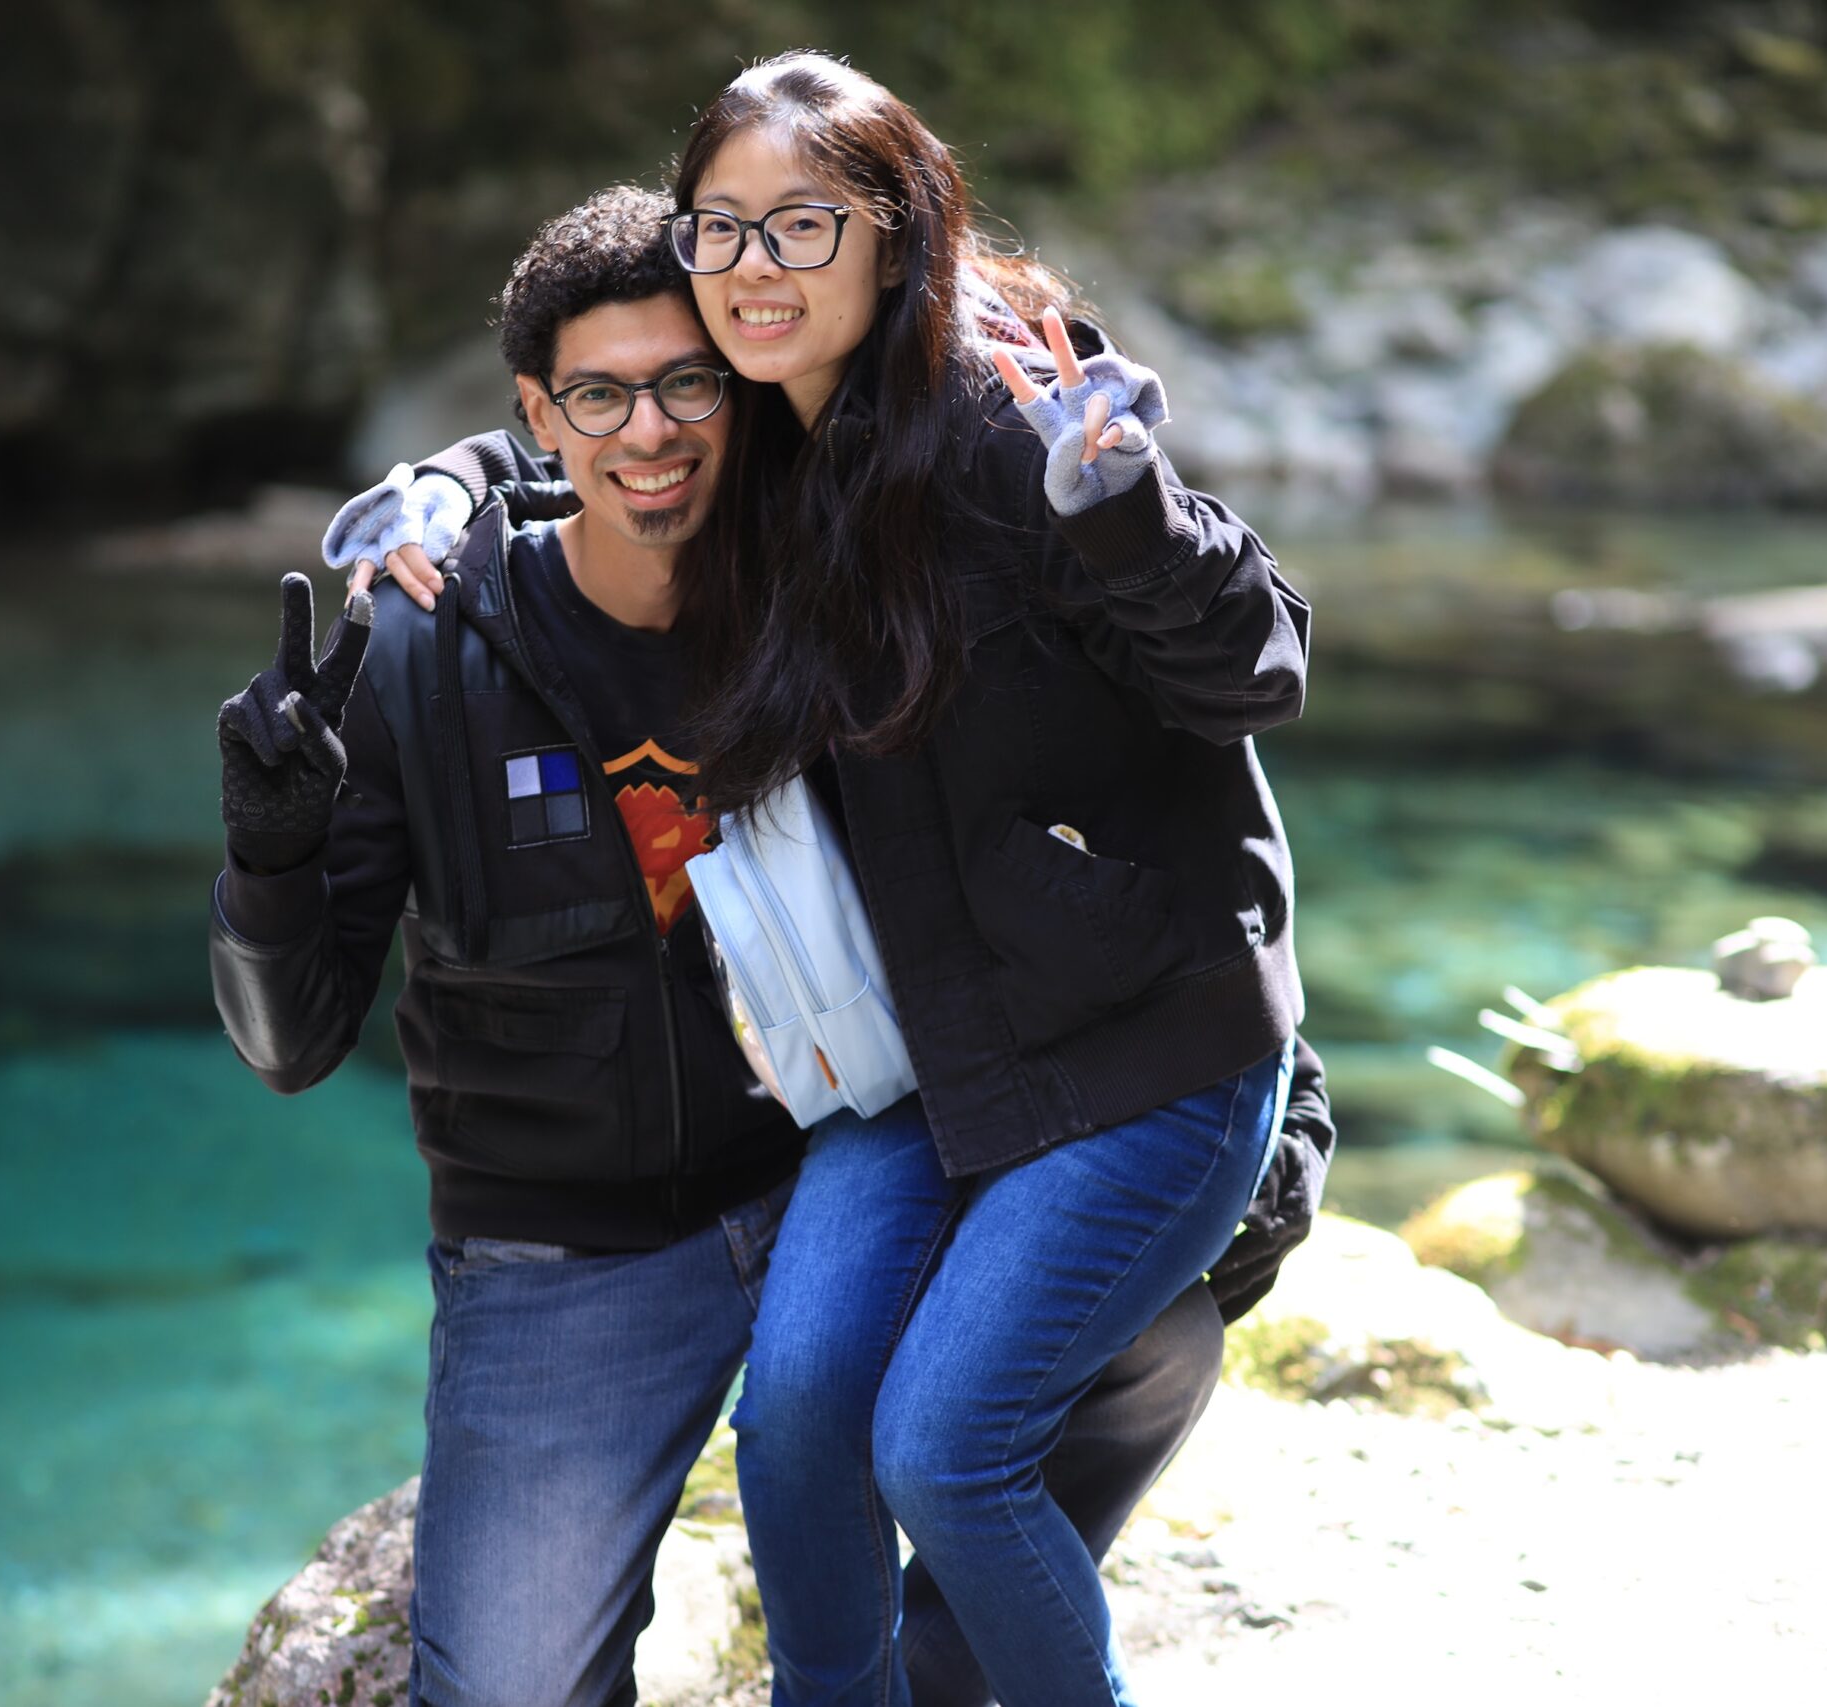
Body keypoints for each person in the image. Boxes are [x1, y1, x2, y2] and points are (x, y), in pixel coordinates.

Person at [212, 186, 1334, 1707]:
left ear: (745, 395)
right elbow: (294, 1041)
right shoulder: (429, 639)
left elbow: (1117, 789)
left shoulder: (838, 576)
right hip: (578, 1243)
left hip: (865, 1143)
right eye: (597, 395)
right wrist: (272, 858)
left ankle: (940, 1661)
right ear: (540, 413)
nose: (652, 430)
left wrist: (1265, 1090)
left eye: (688, 384)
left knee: (1143, 1338)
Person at [634, 53, 1315, 1707]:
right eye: (718, 228)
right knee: (794, 1424)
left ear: (894, 231)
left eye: (801, 224)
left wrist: (1126, 509)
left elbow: (1261, 667)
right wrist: (448, 501)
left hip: (1152, 1049)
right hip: (926, 1056)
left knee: (944, 1454)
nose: (754, 268)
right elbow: (578, 447)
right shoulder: (757, 474)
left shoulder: (1014, 425)